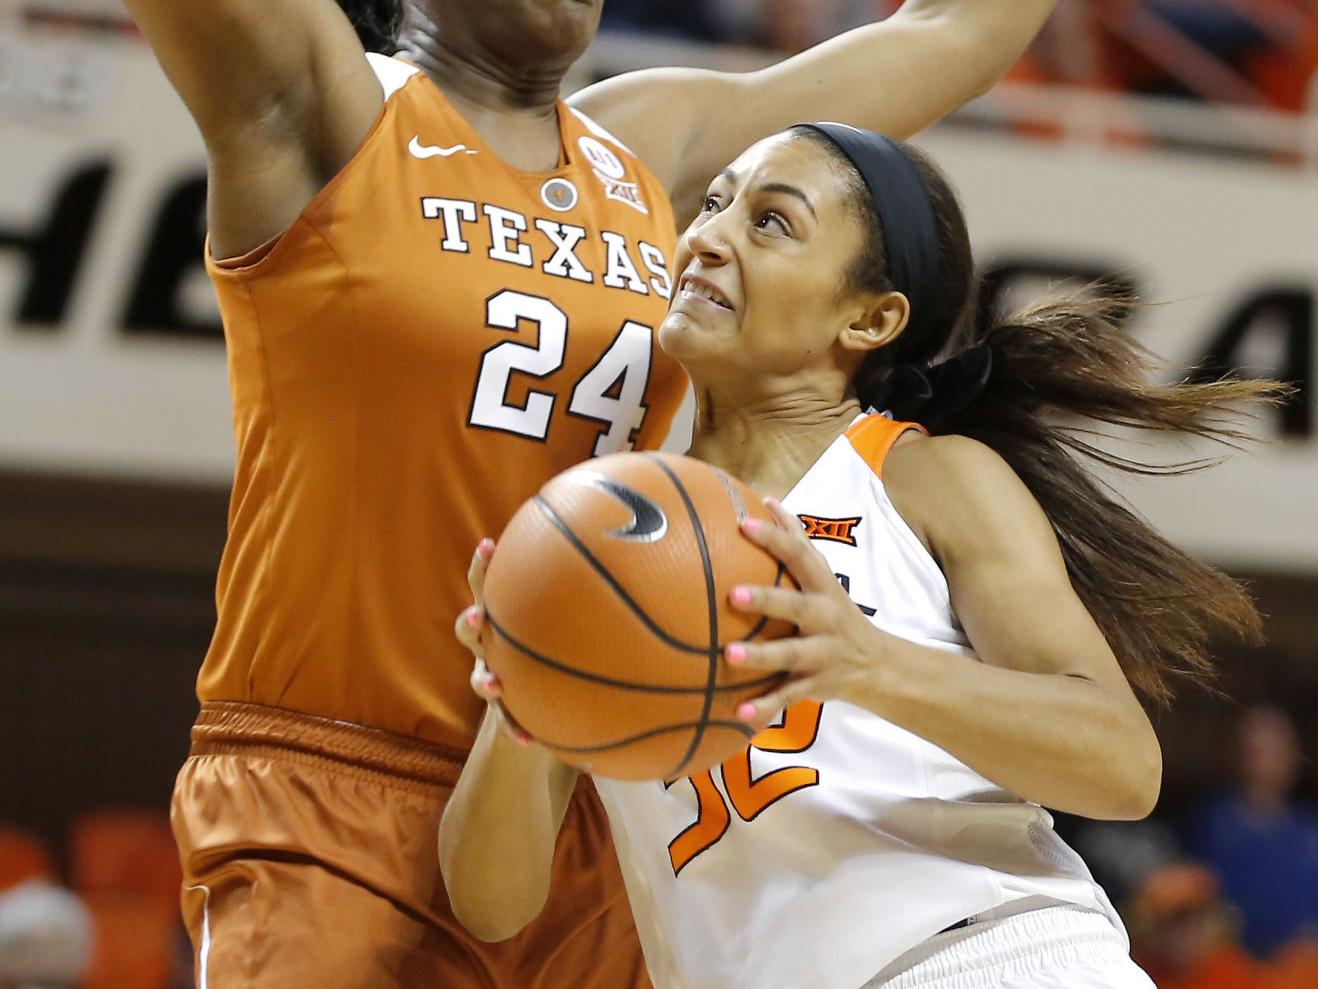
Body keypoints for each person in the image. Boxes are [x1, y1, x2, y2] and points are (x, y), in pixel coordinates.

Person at [120, 0, 1061, 984]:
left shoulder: (648, 147)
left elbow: (957, 35)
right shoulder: (333, 101)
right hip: (339, 787)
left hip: (595, 780)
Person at [441, 122, 1284, 987]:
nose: (709, 237)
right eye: (715, 203)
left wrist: (868, 663)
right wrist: (520, 695)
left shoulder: (923, 477)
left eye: (771, 221)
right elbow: (491, 903)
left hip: (981, 956)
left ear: (870, 318)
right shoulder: (604, 538)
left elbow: (1123, 766)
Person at [1184, 706, 1318, 958]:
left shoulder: (1309, 832)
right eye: (1253, 750)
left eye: (1274, 751)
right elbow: (1193, 903)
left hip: (1300, 967)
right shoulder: (1210, 826)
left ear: (1293, 757)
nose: (1262, 762)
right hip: (1228, 964)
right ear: (1234, 755)